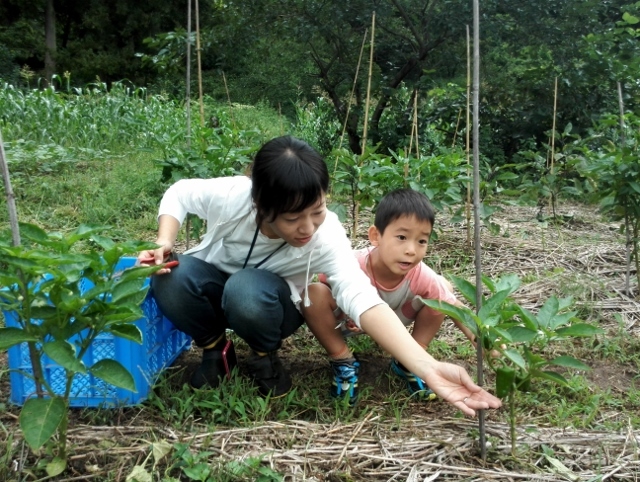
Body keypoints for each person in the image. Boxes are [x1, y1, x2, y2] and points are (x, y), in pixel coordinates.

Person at [139, 135, 500, 416]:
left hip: (268, 303)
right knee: (170, 274)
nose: (308, 228)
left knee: (245, 289)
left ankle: (264, 354)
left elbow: (361, 298)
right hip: (215, 283)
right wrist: (164, 242)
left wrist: (427, 366)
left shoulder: (327, 236)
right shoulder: (234, 197)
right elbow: (179, 193)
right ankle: (216, 348)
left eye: (317, 210)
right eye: (292, 218)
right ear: (260, 205)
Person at [302, 188, 476, 404]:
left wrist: (481, 337)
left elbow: (454, 307)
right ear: (376, 236)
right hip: (348, 320)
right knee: (313, 293)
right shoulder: (353, 263)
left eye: (422, 241)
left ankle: (409, 361)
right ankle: (343, 361)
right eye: (401, 237)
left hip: (395, 319)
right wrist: (347, 312)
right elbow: (326, 283)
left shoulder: (420, 273)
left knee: (442, 291)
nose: (411, 250)